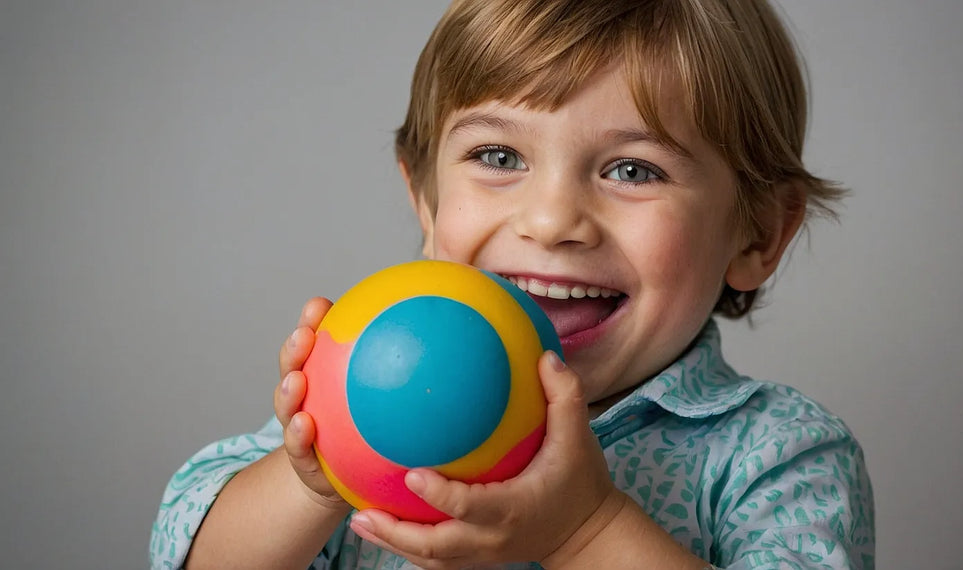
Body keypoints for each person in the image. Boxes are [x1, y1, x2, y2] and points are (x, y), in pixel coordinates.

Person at [150, 0, 875, 568]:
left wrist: (585, 531)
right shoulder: (366, 404)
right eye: (498, 155)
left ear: (758, 235)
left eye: (632, 170)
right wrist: (317, 478)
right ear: (426, 201)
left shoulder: (779, 455)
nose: (552, 219)